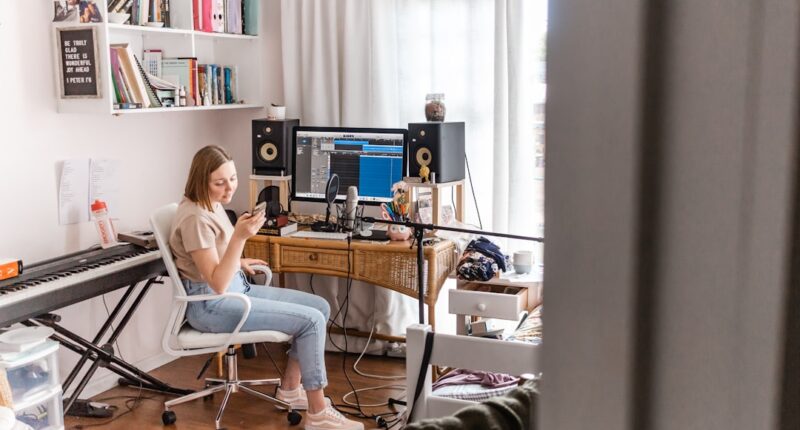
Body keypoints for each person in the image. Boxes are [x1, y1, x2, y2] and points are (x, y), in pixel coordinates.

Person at [169, 145, 363, 430]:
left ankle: (290, 390)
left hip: (234, 287)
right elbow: (217, 283)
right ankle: (318, 412)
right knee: (311, 321)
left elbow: (213, 259)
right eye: (219, 182)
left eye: (232, 178)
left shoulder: (210, 203)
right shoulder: (195, 218)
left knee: (319, 306)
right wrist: (240, 239)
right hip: (212, 305)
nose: (229, 188)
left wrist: (239, 259)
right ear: (201, 180)